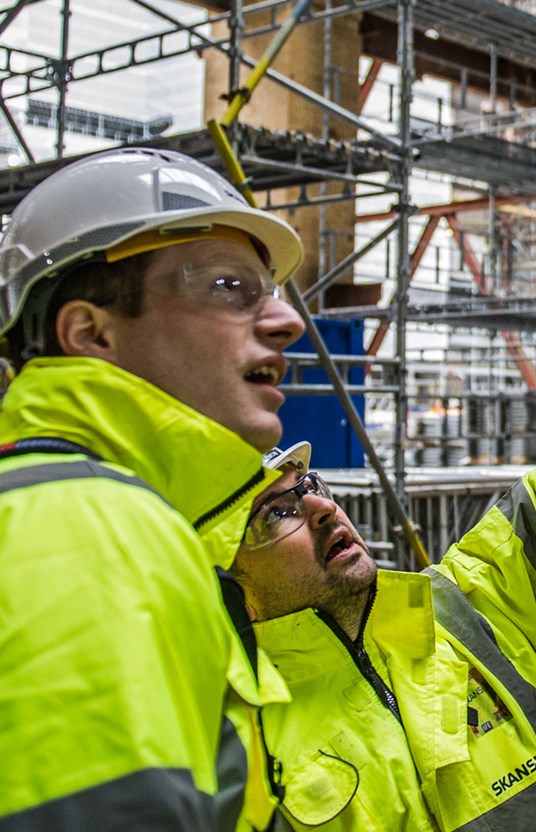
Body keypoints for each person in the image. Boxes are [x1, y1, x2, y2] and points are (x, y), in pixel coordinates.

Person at [228, 129, 536, 830]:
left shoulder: (466, 616)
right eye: (276, 515)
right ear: (223, 570)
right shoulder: (233, 744)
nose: (322, 511)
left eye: (311, 487)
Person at [0, 148, 307, 830]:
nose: (288, 322)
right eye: (230, 288)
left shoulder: (106, 513)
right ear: (91, 332)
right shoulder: (86, 531)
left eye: (272, 292)